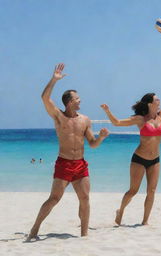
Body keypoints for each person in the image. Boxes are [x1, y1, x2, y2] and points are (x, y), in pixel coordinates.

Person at [101, 75, 161, 225]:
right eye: (157, 100)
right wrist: (108, 111)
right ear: (149, 104)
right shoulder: (140, 119)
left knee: (151, 191)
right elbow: (116, 123)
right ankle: (120, 210)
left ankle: (145, 221)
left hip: (155, 160)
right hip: (139, 159)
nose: (159, 102)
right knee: (133, 191)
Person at [27, 63, 109, 240]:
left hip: (80, 164)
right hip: (64, 163)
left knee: (85, 199)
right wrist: (54, 80)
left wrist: (101, 137)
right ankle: (34, 229)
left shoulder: (85, 120)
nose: (80, 101)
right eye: (78, 99)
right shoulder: (59, 116)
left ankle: (84, 235)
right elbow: (44, 98)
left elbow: (92, 144)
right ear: (70, 102)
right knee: (54, 199)